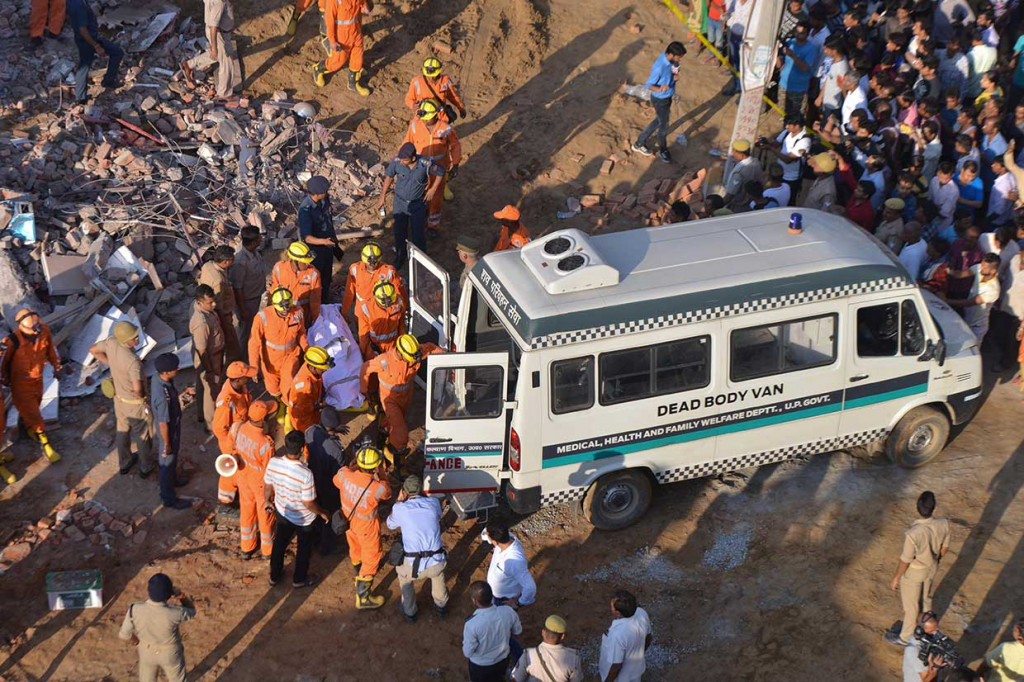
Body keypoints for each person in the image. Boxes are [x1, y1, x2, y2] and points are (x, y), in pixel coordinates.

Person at [359, 334, 443, 460]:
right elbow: (366, 368)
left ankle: (384, 432)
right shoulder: (384, 361)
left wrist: (448, 357)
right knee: (401, 433)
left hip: (407, 395)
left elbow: (431, 348)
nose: (412, 361)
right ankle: (395, 454)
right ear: (400, 352)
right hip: (389, 399)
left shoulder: (415, 352)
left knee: (396, 421)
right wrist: (364, 390)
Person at [886, 491, 951, 647]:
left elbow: (905, 560)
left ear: (917, 507)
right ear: (933, 507)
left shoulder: (912, 534)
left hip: (915, 571)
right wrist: (936, 560)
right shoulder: (944, 523)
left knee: (911, 607)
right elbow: (945, 548)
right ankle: (928, 628)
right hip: (932, 567)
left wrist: (896, 577)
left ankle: (905, 637)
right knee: (926, 599)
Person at [265, 431, 328, 588]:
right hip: (304, 519)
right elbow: (308, 503)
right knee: (303, 549)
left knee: (279, 543)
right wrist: (322, 512)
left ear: (286, 446)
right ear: (301, 449)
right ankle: (299, 579)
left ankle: (274, 575)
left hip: (283, 511)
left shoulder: (273, 462)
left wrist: (267, 500)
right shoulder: (305, 474)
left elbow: (267, 485)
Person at [334, 443, 392, 609]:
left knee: (355, 548)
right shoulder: (376, 488)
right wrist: (381, 473)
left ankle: (358, 569)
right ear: (375, 467)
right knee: (373, 556)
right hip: (367, 528)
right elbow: (387, 492)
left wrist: (353, 468)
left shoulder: (345, 474)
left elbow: (336, 480)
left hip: (348, 522)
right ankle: (363, 598)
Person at [90, 322, 153, 477]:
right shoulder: (133, 361)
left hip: (119, 399)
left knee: (123, 431)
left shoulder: (111, 342)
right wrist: (143, 398)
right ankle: (146, 466)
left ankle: (125, 462)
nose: (137, 339)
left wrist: (111, 363)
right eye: (134, 338)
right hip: (134, 404)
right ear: (126, 341)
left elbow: (93, 350)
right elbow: (137, 388)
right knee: (143, 434)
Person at [0, 309, 62, 463]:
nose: (36, 331)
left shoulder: (43, 331)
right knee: (33, 412)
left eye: (37, 327)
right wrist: (5, 382)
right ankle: (44, 441)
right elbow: (3, 364)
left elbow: (51, 350)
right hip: (21, 384)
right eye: (33, 329)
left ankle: (30, 427)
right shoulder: (11, 342)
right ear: (22, 327)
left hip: (38, 379)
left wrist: (57, 366)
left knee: (36, 404)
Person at [385, 474, 448, 622]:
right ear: (421, 490)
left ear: (404, 492)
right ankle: (441, 606)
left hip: (412, 568)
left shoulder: (400, 508)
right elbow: (438, 515)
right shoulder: (433, 503)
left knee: (403, 578)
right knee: (438, 576)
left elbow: (389, 524)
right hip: (436, 563)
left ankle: (410, 612)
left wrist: (398, 502)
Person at [377, 142, 444, 268]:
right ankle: (400, 257)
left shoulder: (425, 163)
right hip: (400, 203)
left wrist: (433, 189)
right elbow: (389, 176)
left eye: (405, 159)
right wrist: (382, 196)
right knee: (399, 232)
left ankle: (421, 261)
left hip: (417, 205)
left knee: (418, 233)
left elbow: (441, 172)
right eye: (401, 159)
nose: (402, 162)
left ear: (413, 158)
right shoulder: (397, 161)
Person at [118, 573, 196, 682]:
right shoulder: (175, 612)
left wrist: (137, 643)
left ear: (149, 591)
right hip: (170, 652)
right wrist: (181, 596)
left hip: (146, 650)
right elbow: (192, 611)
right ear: (169, 594)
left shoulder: (134, 609)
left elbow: (124, 635)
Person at [404, 99, 462, 234]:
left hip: (438, 169)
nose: (425, 121)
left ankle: (433, 225)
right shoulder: (414, 125)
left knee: (436, 196)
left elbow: (455, 146)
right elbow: (407, 143)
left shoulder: (446, 129)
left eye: (427, 119)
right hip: (419, 167)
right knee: (418, 193)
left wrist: (456, 164)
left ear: (436, 115)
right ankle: (420, 214)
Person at [230, 399, 278, 559]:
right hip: (261, 484)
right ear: (263, 420)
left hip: (243, 478)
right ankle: (268, 550)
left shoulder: (239, 428)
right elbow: (269, 471)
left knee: (247, 512)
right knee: (265, 515)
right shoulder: (266, 444)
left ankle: (247, 547)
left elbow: (233, 450)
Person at [248, 287, 308, 410]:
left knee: (288, 384)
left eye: (288, 307)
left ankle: (288, 408)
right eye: (282, 309)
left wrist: (307, 348)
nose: (286, 311)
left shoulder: (298, 312)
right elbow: (254, 342)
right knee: (273, 388)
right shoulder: (262, 317)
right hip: (270, 359)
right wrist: (254, 365)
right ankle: (279, 403)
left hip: (290, 356)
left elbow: (301, 333)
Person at [631, 42, 687, 164]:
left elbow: (671, 73)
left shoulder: (669, 60)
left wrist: (674, 76)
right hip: (660, 100)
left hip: (667, 98)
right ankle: (663, 150)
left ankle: (639, 143)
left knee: (658, 121)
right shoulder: (659, 67)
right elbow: (649, 85)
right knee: (663, 127)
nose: (680, 59)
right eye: (679, 57)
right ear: (671, 54)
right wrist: (660, 88)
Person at [212, 361, 257, 507]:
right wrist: (230, 451)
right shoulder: (227, 402)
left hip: (240, 436)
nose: (248, 379)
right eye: (246, 377)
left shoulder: (239, 387)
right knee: (231, 470)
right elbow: (219, 429)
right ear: (237, 380)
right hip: (231, 443)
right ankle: (225, 502)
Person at [304, 406, 348, 555]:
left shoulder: (310, 432)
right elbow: (341, 470)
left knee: (317, 511)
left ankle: (314, 540)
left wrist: (332, 431)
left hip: (313, 480)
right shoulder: (335, 448)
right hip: (329, 485)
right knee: (330, 515)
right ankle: (326, 547)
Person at [150, 354, 191, 510]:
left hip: (173, 425)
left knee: (172, 460)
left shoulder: (158, 378)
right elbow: (163, 423)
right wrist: (167, 444)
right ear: (166, 372)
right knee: (167, 462)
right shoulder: (162, 395)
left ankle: (173, 480)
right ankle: (168, 498)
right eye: (175, 368)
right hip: (168, 430)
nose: (178, 369)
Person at [463, 580, 523, 682]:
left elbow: (467, 652)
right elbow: (517, 632)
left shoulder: (471, 624)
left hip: (480, 667)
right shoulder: (508, 612)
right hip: (502, 661)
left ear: (474, 601)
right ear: (492, 596)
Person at [182, 0, 241, 100]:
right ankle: (224, 93)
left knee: (217, 55)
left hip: (219, 32)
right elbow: (214, 26)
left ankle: (190, 64)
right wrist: (214, 47)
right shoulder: (219, 3)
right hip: (218, 34)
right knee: (227, 62)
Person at [67, 0, 123, 103]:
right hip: (88, 40)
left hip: (87, 38)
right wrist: (96, 46)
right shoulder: (79, 5)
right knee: (84, 66)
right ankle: (81, 97)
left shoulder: (73, 2)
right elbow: (83, 30)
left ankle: (107, 81)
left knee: (116, 52)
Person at [313, 0, 372, 95]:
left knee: (357, 57)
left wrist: (365, 6)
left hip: (356, 31)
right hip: (342, 36)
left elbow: (362, 4)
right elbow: (330, 20)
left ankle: (353, 83)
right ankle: (318, 69)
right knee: (338, 61)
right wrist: (332, 40)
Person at [189, 284, 225, 433]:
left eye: (213, 301)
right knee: (211, 390)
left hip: (209, 354)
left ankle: (200, 415)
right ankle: (210, 425)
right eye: (210, 303)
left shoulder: (202, 309)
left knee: (201, 385)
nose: (214, 304)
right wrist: (210, 370)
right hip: (209, 357)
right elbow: (202, 350)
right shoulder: (201, 323)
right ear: (199, 302)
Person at [298, 175, 341, 302]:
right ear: (317, 194)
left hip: (328, 244)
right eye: (325, 191)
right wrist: (324, 241)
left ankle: (326, 299)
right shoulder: (305, 210)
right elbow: (308, 238)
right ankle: (317, 303)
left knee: (327, 276)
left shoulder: (324, 199)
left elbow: (328, 218)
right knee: (317, 278)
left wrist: (332, 238)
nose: (327, 193)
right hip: (315, 250)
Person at [599, 590, 653, 682]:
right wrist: (639, 653)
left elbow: (616, 666)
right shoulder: (641, 613)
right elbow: (649, 637)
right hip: (636, 670)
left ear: (618, 613)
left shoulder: (618, 635)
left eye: (612, 606)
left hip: (621, 678)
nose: (610, 607)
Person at [512, 614, 584, 682]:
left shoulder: (528, 655)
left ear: (543, 632)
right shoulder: (574, 658)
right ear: (562, 637)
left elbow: (515, 679)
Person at [199, 245, 240, 361]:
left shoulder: (208, 265)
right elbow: (218, 303)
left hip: (210, 307)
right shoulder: (218, 281)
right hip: (222, 313)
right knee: (230, 338)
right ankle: (234, 361)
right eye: (232, 259)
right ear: (226, 262)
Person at [482, 522, 536, 609]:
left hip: (504, 603)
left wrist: (519, 603)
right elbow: (485, 533)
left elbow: (530, 587)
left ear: (495, 542)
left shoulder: (515, 561)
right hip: (494, 596)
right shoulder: (506, 536)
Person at [948, 252, 1001, 341]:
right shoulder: (979, 268)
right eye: (981, 264)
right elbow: (961, 274)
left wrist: (947, 301)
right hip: (966, 319)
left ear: (993, 271)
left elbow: (970, 302)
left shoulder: (993, 289)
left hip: (977, 327)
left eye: (984, 267)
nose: (981, 268)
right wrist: (949, 271)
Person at [758, 114, 812, 201]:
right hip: (780, 173)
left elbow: (788, 159)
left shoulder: (805, 141)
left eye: (789, 124)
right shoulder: (787, 132)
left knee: (789, 200)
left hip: (792, 178)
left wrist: (770, 148)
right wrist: (765, 143)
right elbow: (776, 144)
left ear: (797, 126)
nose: (786, 126)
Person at [230, 226, 267, 349]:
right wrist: (243, 309)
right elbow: (237, 288)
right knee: (246, 332)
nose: (262, 239)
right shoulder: (240, 261)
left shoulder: (255, 253)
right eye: (259, 237)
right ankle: (244, 358)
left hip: (257, 297)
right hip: (247, 301)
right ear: (255, 241)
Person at [283, 346, 333, 434]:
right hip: (304, 420)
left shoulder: (309, 367)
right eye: (323, 369)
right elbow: (305, 409)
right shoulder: (305, 387)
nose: (325, 370)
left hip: (311, 410)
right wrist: (324, 407)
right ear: (314, 368)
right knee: (311, 439)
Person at [270, 242, 322, 324]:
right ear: (295, 261)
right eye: (304, 262)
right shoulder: (279, 269)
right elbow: (273, 294)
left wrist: (315, 320)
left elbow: (315, 300)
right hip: (284, 315)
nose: (308, 263)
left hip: (304, 316)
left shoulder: (313, 273)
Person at [778, 21, 819, 117]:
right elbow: (781, 55)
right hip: (783, 84)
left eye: (802, 33)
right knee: (782, 112)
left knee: (797, 116)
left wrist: (793, 55)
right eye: (797, 32)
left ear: (808, 34)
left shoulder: (811, 49)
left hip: (798, 89)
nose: (798, 35)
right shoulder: (790, 42)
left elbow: (805, 67)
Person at [359, 281, 406, 359]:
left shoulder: (399, 301)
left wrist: (402, 343)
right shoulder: (366, 308)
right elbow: (363, 335)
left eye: (390, 299)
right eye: (384, 300)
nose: (388, 302)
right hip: (374, 347)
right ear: (376, 297)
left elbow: (401, 325)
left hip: (394, 346)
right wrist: (363, 353)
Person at [902, 611, 950, 682]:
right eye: (931, 631)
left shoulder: (927, 638)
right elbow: (926, 680)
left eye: (936, 630)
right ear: (920, 631)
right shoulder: (914, 651)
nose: (936, 633)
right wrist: (935, 668)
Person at [976, 616, 1024, 681]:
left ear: (1020, 638)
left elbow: (986, 663)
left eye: (1015, 630)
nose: (1013, 629)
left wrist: (978, 674)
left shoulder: (1006, 648)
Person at [722, 140, 761, 211]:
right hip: (750, 202)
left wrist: (718, 206)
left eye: (734, 151)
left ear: (741, 154)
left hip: (738, 206)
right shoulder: (756, 162)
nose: (732, 153)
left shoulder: (739, 173)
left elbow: (730, 196)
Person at [928, 162, 960, 233]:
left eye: (946, 178)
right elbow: (929, 198)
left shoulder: (954, 190)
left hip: (943, 220)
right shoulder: (934, 180)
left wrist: (934, 209)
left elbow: (944, 212)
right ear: (938, 173)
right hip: (930, 214)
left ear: (952, 175)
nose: (943, 180)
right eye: (941, 177)